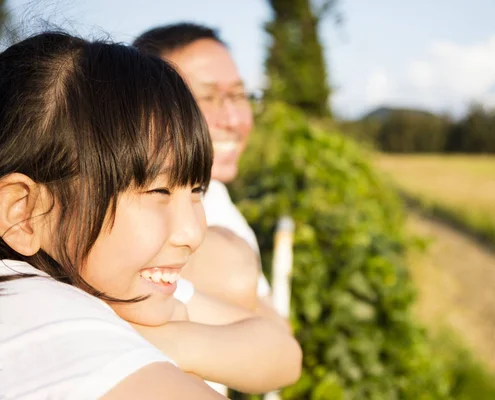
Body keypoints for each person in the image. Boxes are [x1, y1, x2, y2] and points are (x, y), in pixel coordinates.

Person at [0, 31, 300, 399]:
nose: (193, 232)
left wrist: (165, 340)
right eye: (157, 191)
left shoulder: (114, 289)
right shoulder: (47, 318)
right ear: (24, 212)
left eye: (196, 192)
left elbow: (285, 353)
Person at [134, 22, 289, 329]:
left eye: (239, 95)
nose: (233, 119)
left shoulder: (216, 196)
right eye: (207, 98)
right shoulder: (126, 226)